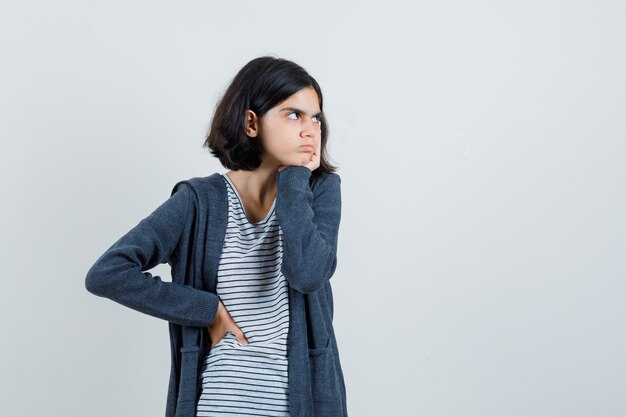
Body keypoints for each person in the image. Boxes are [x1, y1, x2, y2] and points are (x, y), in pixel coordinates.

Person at [85, 56, 348, 417]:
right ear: (251, 123)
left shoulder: (318, 191)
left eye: (315, 117)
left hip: (304, 403)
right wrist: (205, 310)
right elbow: (108, 274)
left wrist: (294, 179)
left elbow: (308, 273)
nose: (310, 129)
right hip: (219, 404)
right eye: (293, 115)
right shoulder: (198, 202)